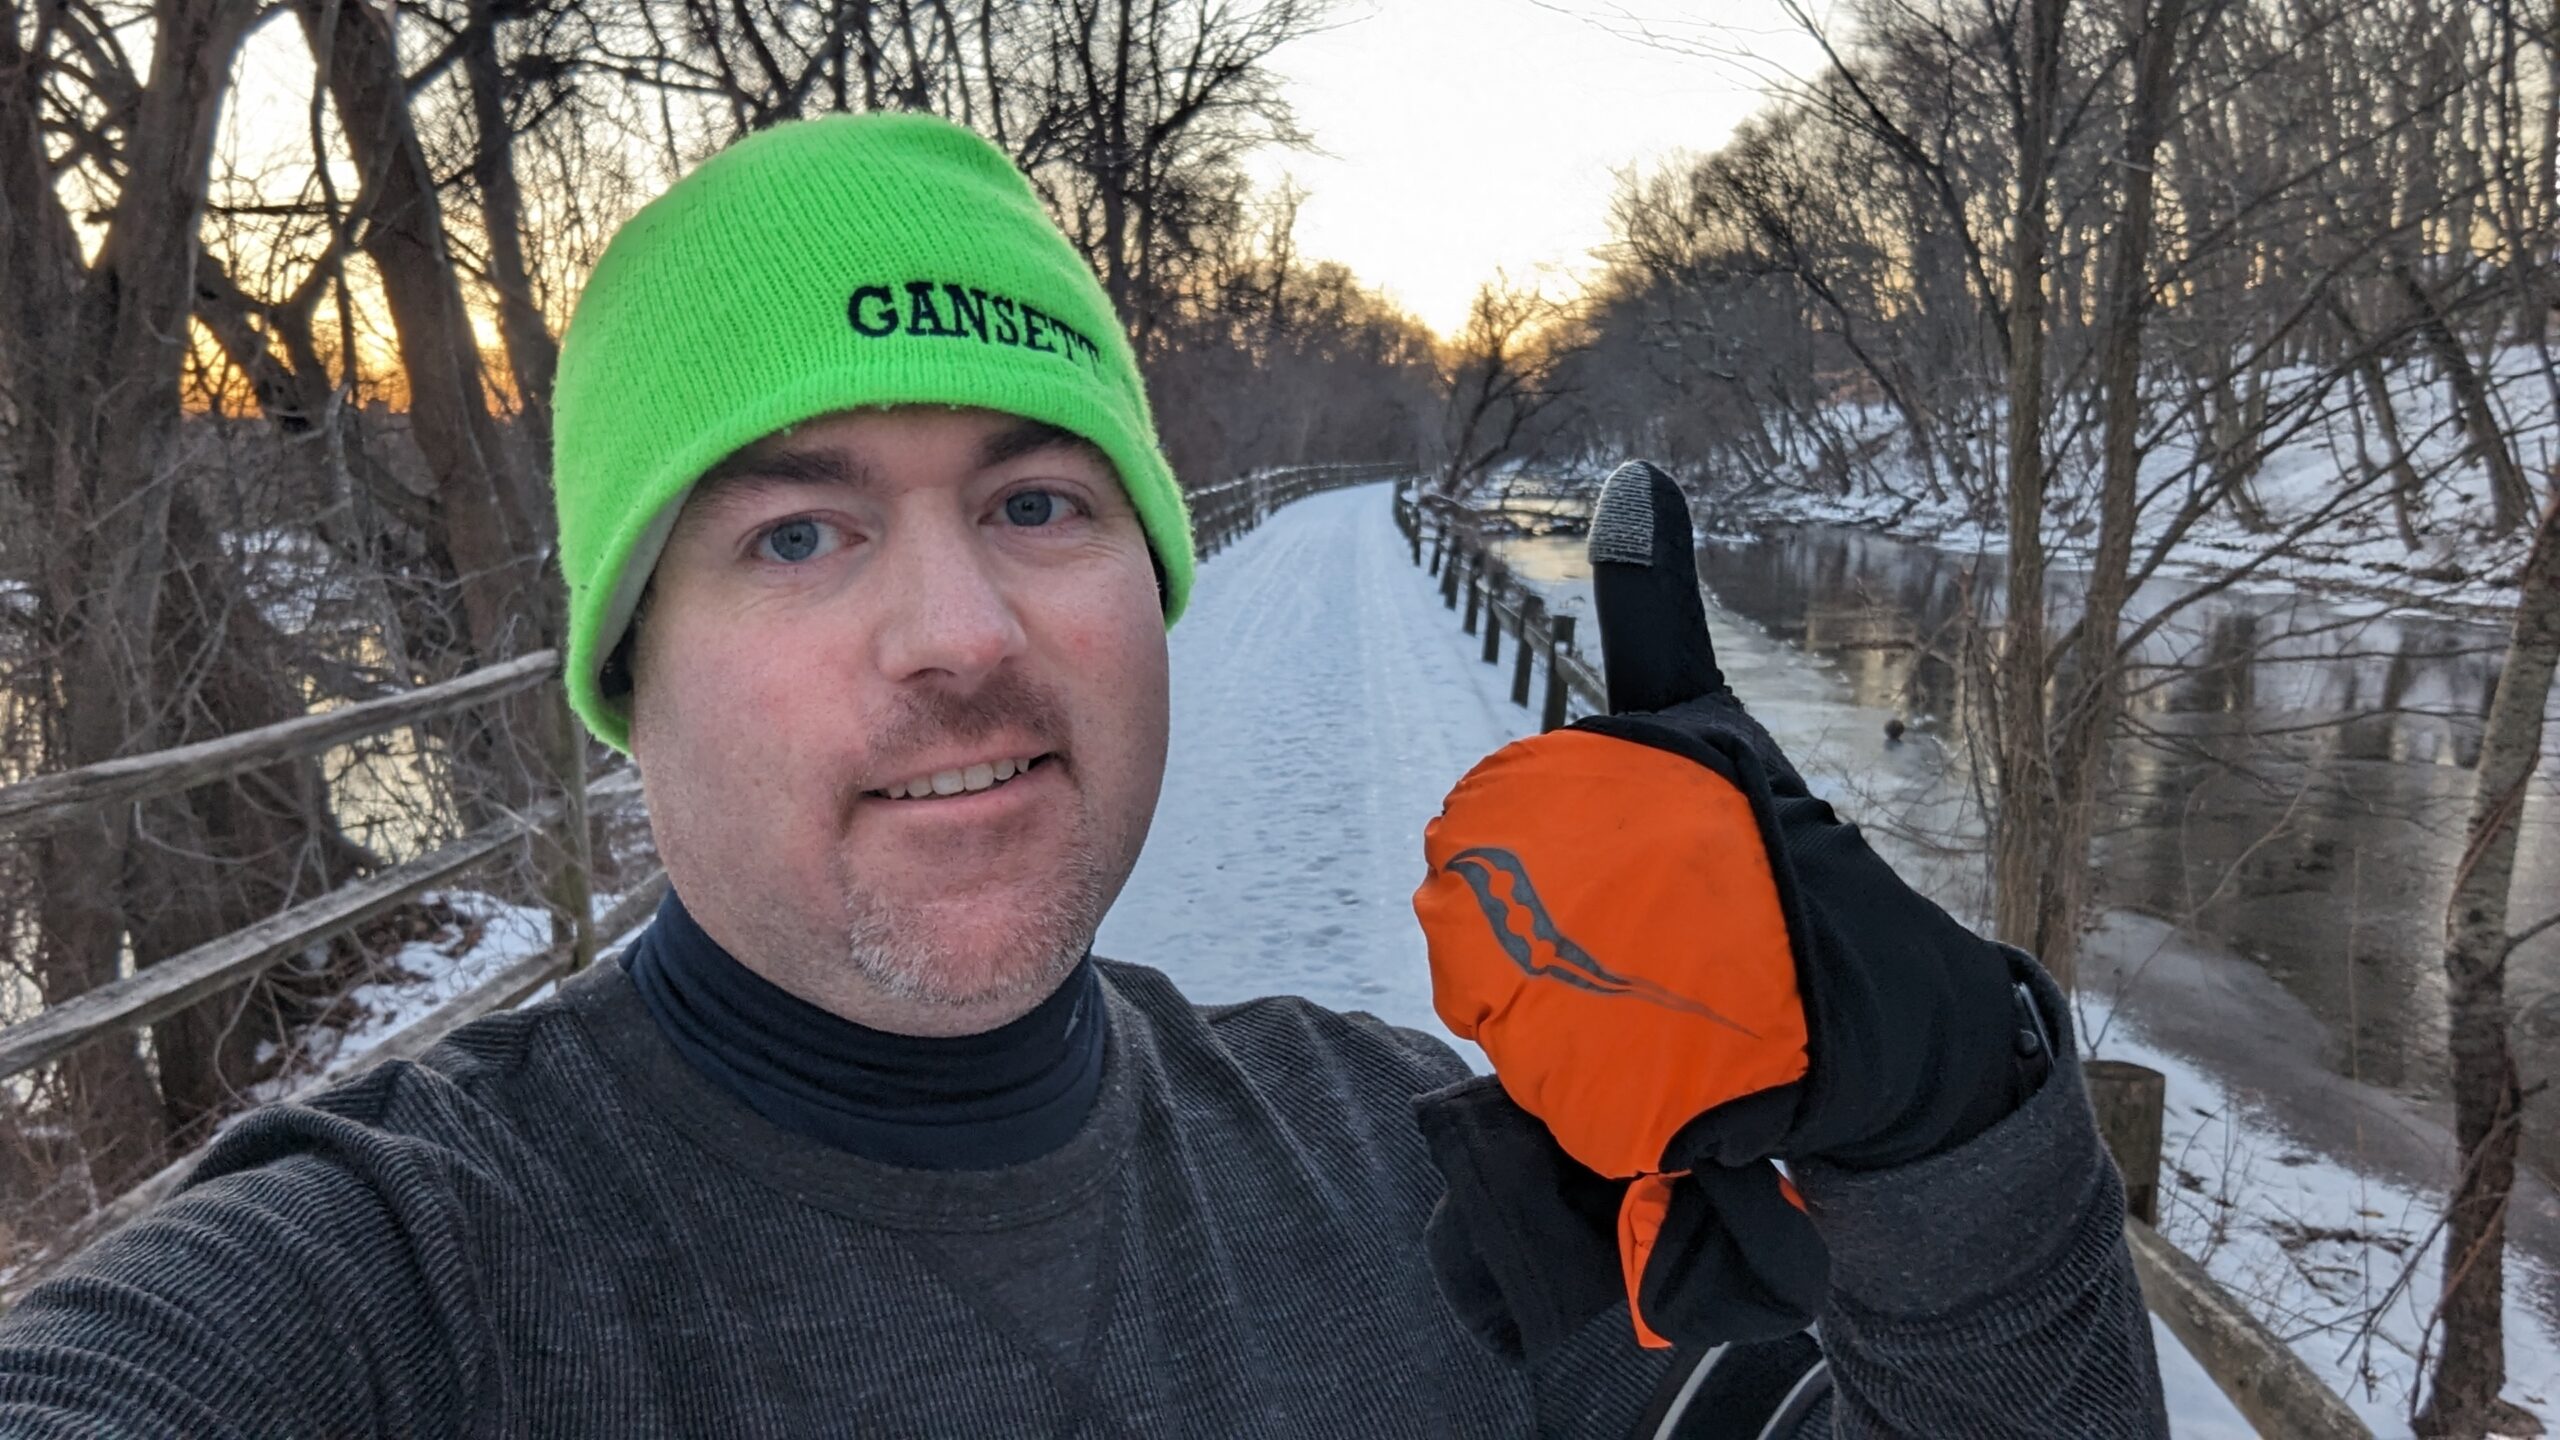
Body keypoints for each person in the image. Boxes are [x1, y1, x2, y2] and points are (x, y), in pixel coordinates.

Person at [0, 113, 2167, 1437]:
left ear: (1151, 584)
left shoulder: (1414, 1173)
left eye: (1038, 504)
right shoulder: (385, 1292)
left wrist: (1958, 1168)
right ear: (624, 673)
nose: (960, 634)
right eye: (797, 533)